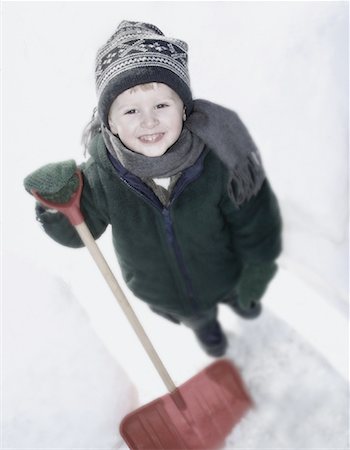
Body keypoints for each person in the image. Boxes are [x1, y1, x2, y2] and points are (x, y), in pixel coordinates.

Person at [24, 20, 282, 357]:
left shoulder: (218, 158)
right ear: (110, 124)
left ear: (184, 108)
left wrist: (258, 266)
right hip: (162, 289)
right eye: (130, 111)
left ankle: (239, 298)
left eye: (162, 105)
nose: (148, 121)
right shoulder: (103, 173)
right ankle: (206, 328)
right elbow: (79, 230)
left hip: (222, 269)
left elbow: (253, 216)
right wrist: (55, 204)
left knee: (235, 290)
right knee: (195, 316)